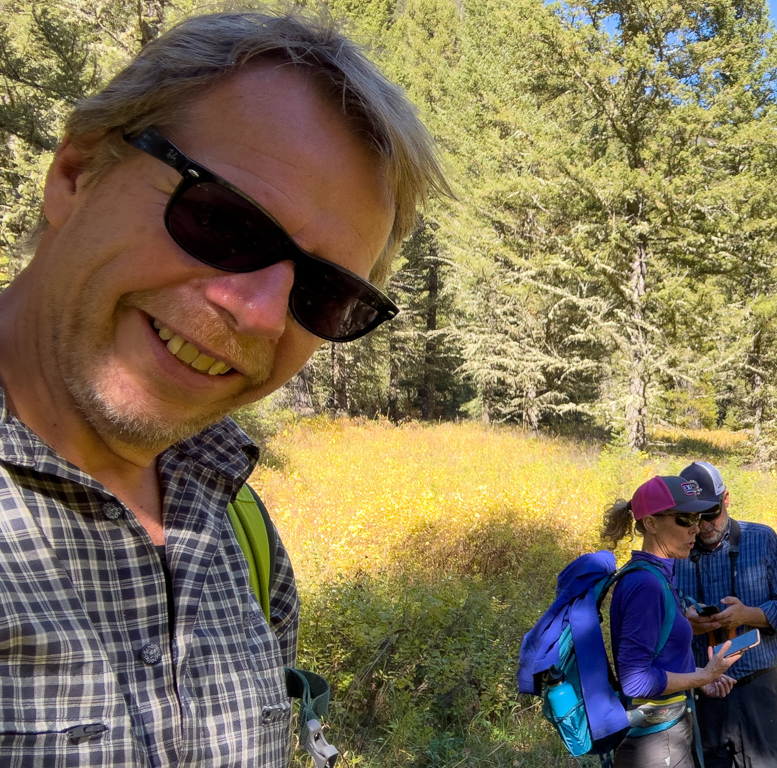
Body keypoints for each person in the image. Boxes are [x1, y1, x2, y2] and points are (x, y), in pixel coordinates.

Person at [0, 11, 446, 766]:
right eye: (224, 222)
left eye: (325, 294)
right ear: (75, 175)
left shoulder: (238, 528)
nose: (261, 312)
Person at [601, 475, 743, 768]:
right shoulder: (646, 584)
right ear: (651, 523)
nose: (696, 527)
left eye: (699, 516)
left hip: (666, 734)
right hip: (654, 745)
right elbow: (635, 680)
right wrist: (703, 676)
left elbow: (659, 657)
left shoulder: (659, 575)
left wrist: (698, 677)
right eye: (684, 518)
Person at [674, 461, 777, 768]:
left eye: (712, 514)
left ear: (727, 499)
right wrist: (688, 625)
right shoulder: (674, 554)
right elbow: (662, 621)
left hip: (758, 687)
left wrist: (748, 615)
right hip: (703, 691)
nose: (705, 526)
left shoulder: (762, 539)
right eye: (694, 518)